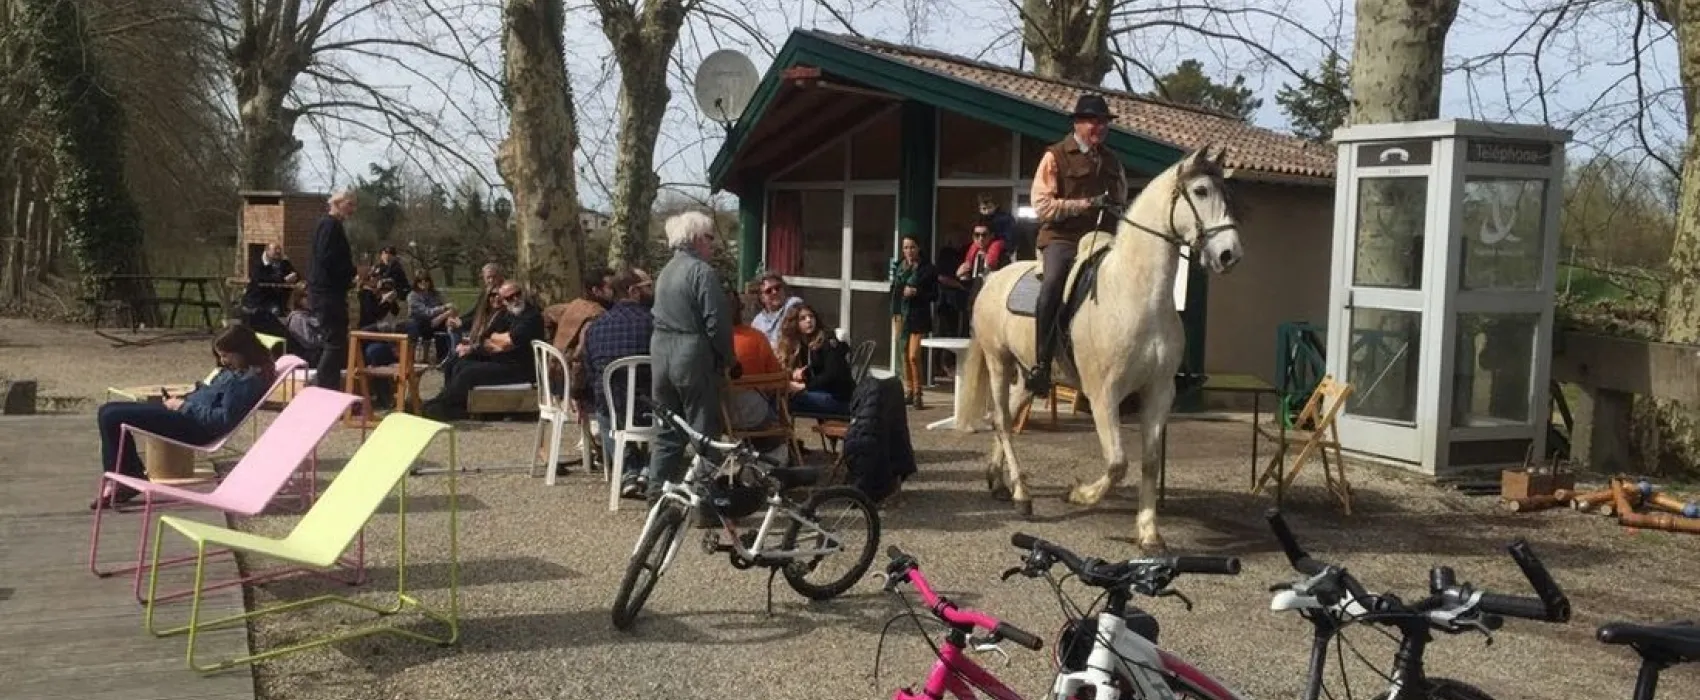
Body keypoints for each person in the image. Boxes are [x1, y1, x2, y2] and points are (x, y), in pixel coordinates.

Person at [92, 325, 277, 509]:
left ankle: (124, 481)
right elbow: (210, 396)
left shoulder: (246, 381)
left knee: (111, 416)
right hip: (185, 414)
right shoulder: (238, 371)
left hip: (195, 427)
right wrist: (183, 398)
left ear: (243, 351)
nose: (223, 361)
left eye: (226, 355)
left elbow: (221, 420)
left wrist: (183, 405)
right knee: (107, 410)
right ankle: (127, 477)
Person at [1026, 93, 1129, 395]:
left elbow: (1122, 199)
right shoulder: (1055, 156)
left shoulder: (1113, 161)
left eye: (1104, 122)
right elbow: (1042, 206)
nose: (1101, 127)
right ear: (1077, 124)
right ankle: (1041, 364)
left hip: (1103, 238)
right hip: (1064, 238)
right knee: (1053, 284)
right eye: (1094, 121)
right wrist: (1084, 204)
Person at [645, 210, 734, 504]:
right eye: (710, 238)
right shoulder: (701, 272)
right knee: (704, 431)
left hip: (660, 353)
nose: (713, 245)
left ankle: (657, 495)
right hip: (691, 354)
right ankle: (703, 501)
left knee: (667, 429)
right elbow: (717, 322)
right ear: (696, 239)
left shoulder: (666, 272)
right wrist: (729, 358)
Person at [422, 280, 546, 421]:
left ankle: (443, 407)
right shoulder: (507, 315)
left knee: (469, 373)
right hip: (502, 360)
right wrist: (497, 341)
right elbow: (487, 338)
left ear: (523, 293)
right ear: (504, 301)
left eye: (518, 294)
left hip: (521, 369)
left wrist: (498, 340)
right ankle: (449, 402)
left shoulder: (531, 316)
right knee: (457, 362)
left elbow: (508, 342)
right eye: (510, 298)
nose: (515, 299)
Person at [580, 268, 656, 497]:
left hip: (614, 408)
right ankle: (650, 467)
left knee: (604, 415)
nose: (651, 291)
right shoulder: (656, 324)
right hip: (652, 408)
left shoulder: (595, 328)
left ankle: (628, 470)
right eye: (647, 287)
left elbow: (591, 372)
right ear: (633, 291)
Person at [307, 190, 357, 390]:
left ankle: (329, 386)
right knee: (334, 341)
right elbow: (327, 258)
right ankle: (322, 386)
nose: (352, 209)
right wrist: (350, 272)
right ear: (337, 203)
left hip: (329, 292)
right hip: (327, 294)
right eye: (349, 204)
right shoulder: (330, 225)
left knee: (336, 342)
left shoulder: (330, 225)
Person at [778, 303, 854, 416]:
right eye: (803, 318)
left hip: (841, 399)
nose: (809, 320)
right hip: (824, 393)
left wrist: (804, 386)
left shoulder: (828, 340)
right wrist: (803, 373)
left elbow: (832, 374)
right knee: (782, 396)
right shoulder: (803, 344)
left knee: (786, 401)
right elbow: (816, 369)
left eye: (811, 316)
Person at [889, 234, 937, 409]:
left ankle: (918, 393)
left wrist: (917, 292)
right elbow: (893, 290)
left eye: (912, 247)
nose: (909, 251)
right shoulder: (899, 267)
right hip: (900, 315)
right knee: (903, 354)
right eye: (905, 248)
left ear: (918, 248)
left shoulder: (927, 269)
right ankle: (908, 390)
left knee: (913, 356)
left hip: (917, 317)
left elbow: (934, 295)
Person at [239, 242, 297, 336]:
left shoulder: (284, 263)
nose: (278, 252)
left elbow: (294, 274)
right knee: (272, 314)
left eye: (279, 249)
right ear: (267, 251)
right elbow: (262, 278)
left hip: (277, 300)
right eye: (275, 249)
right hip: (258, 300)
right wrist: (283, 280)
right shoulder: (258, 263)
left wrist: (294, 276)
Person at [406, 272, 456, 362]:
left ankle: (445, 357)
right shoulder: (412, 296)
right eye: (420, 281)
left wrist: (446, 314)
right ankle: (414, 358)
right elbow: (426, 312)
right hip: (418, 321)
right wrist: (444, 309)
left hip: (435, 321)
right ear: (416, 283)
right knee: (422, 325)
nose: (423, 283)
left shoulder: (435, 294)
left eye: (426, 280)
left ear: (430, 282)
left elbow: (446, 306)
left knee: (449, 323)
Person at [749, 272, 803, 351]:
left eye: (777, 288)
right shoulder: (757, 322)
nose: (774, 292)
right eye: (769, 291)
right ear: (761, 298)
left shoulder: (793, 304)